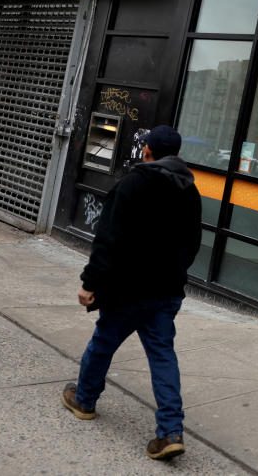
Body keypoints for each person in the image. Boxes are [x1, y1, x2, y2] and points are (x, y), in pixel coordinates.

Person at [60, 124, 202, 460]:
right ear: (177, 155)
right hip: (166, 292)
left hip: (127, 291)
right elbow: (192, 244)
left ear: (147, 151)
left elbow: (108, 239)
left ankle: (84, 400)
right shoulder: (189, 190)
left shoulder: (132, 183)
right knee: (163, 356)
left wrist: (90, 283)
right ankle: (170, 432)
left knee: (103, 344)